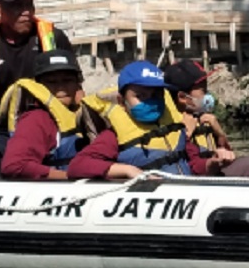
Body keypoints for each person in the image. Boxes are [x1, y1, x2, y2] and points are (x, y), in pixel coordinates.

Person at [67, 61, 195, 180]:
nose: (150, 101)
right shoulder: (114, 136)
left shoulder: (176, 126)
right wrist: (127, 170)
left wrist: (211, 163)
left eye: (156, 95)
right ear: (121, 101)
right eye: (141, 96)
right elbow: (77, 166)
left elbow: (195, 163)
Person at [164, 59, 249, 179]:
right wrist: (186, 135)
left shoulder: (203, 118)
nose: (207, 95)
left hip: (213, 173)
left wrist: (220, 133)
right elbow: (192, 166)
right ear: (182, 97)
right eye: (203, 90)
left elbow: (228, 154)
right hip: (199, 180)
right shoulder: (179, 124)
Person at [0, 49, 88, 180]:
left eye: (67, 80)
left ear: (77, 84)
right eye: (52, 82)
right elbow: (14, 165)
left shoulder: (83, 114)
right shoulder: (36, 119)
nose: (61, 87)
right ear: (39, 86)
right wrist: (69, 177)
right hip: (57, 193)